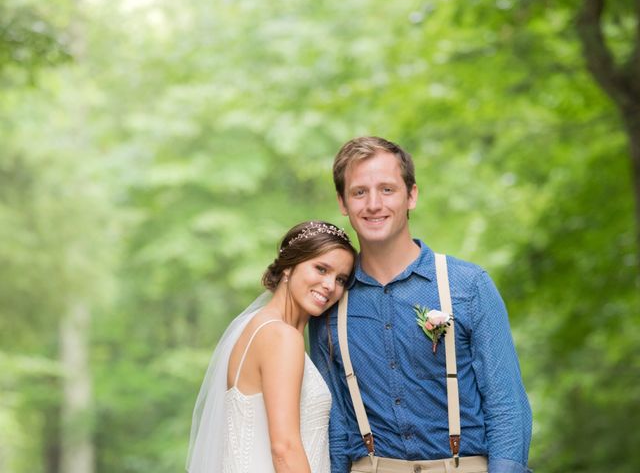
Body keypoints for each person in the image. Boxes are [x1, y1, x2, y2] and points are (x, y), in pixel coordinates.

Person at [309, 137, 532, 473]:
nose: (373, 204)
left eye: (387, 189)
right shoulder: (328, 304)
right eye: (359, 192)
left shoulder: (468, 286)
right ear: (342, 202)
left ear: (411, 195)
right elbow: (334, 426)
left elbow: (507, 407)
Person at [187, 220, 357, 473]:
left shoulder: (256, 327)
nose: (330, 286)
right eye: (321, 269)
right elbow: (284, 449)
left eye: (341, 279)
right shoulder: (281, 337)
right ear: (288, 267)